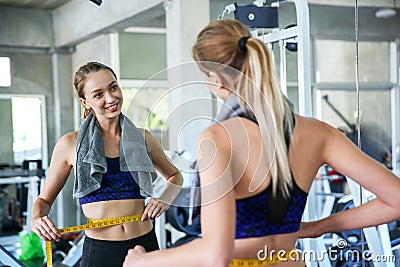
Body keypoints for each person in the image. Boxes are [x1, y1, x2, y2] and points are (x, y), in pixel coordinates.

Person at [123, 19, 400, 267]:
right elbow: (396, 200)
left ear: (216, 80)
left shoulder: (218, 138)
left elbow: (215, 255)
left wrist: (145, 261)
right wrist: (320, 227)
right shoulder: (320, 133)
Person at [30, 61, 183, 267]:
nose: (111, 98)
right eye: (98, 94)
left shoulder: (143, 138)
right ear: (85, 102)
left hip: (144, 244)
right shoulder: (70, 144)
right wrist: (36, 218)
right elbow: (44, 200)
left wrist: (165, 199)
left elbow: (175, 176)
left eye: (113, 87)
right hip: (101, 251)